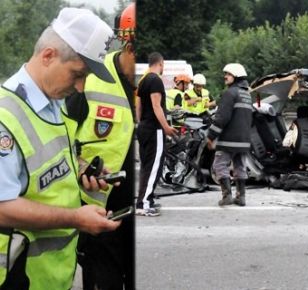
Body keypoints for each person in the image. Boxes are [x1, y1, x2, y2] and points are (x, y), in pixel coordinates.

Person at [0, 8, 120, 290]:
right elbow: (2, 207)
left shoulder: (53, 103)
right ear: (48, 56)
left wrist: (81, 170)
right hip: (19, 276)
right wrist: (75, 219)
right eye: (78, 74)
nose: (80, 87)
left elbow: (42, 165)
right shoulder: (5, 118)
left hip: (52, 274)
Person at [64, 3, 136, 290]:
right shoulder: (91, 77)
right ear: (130, 45)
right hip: (99, 214)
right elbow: (60, 140)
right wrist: (82, 168)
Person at [135, 52, 178, 216]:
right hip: (154, 129)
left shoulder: (143, 80)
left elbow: (138, 105)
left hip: (144, 127)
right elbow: (156, 105)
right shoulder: (155, 80)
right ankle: (144, 204)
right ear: (160, 63)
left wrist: (141, 123)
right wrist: (166, 126)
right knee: (154, 167)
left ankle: (147, 199)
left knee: (146, 167)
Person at [207, 63, 253, 206]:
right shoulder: (246, 94)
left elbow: (222, 118)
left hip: (229, 140)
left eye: (228, 74)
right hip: (244, 140)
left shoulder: (230, 93)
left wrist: (211, 136)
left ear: (236, 76)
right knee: (240, 166)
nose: (225, 77)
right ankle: (241, 197)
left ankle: (227, 196)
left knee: (219, 165)